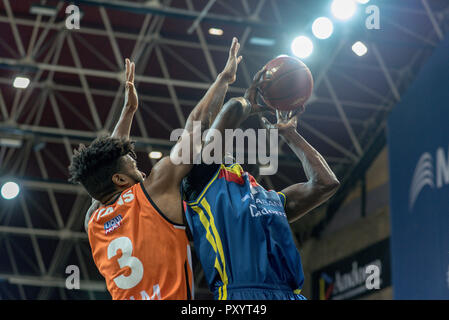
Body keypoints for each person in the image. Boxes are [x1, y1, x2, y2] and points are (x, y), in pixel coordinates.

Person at [68, 38, 248, 300]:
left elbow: (101, 175)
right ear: (119, 179)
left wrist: (129, 111)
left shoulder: (92, 221)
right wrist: (224, 79)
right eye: (134, 165)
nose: (141, 171)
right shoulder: (154, 190)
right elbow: (196, 124)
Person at [181, 69, 341, 300]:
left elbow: (326, 183)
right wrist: (249, 101)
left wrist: (291, 135)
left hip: (291, 295)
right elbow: (233, 110)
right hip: (243, 295)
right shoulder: (201, 182)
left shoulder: (272, 199)